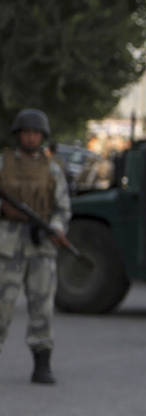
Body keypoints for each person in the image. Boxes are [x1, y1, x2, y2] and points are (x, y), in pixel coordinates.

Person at [0, 109, 71, 384]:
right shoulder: (4, 163)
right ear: (18, 135)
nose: (30, 138)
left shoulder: (52, 169)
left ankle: (42, 363)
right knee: (2, 306)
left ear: (42, 136)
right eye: (26, 133)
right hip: (7, 245)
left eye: (35, 133)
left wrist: (55, 227)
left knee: (42, 306)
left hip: (41, 246)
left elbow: (63, 207)